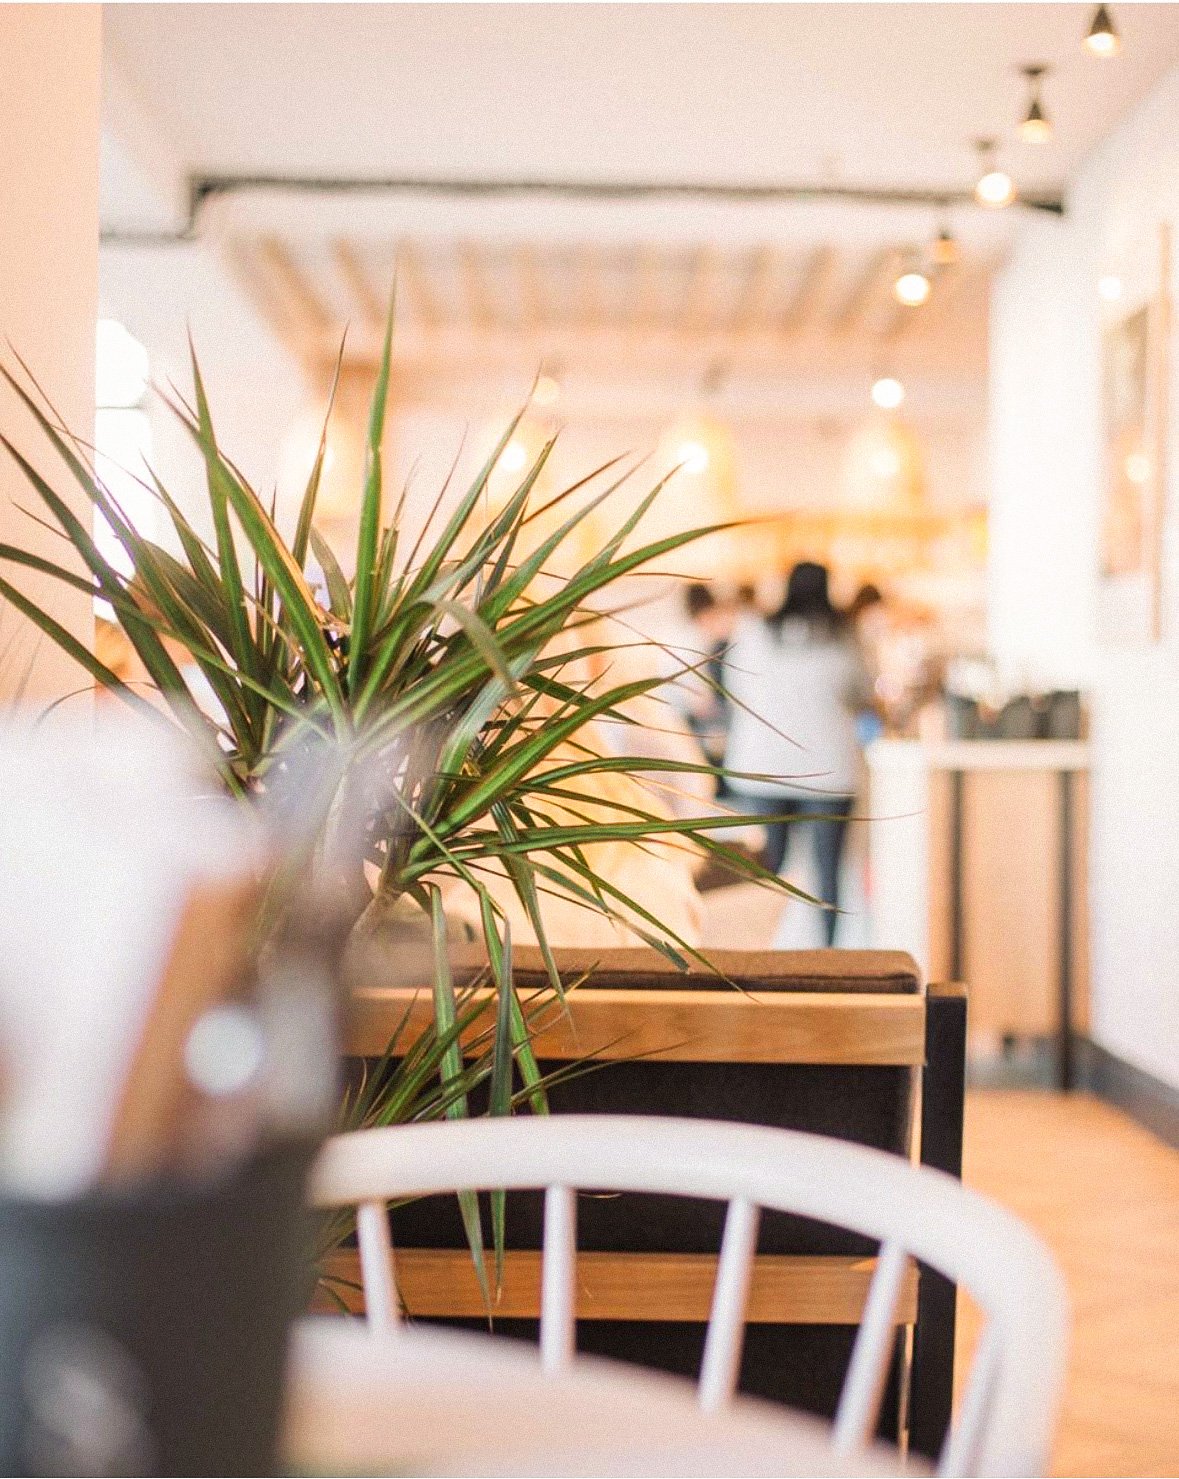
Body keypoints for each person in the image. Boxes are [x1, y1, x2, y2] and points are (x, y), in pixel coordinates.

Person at [722, 562, 872, 945]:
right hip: (829, 769)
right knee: (828, 873)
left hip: (763, 767)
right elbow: (862, 691)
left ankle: (759, 951)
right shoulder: (845, 636)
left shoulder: (754, 631)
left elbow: (734, 688)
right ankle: (828, 956)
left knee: (764, 870)